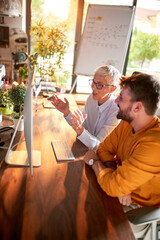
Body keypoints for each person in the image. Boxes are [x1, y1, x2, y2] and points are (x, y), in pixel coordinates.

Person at [83, 73, 160, 236]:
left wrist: (94, 163)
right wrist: (117, 177)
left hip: (140, 211)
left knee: (85, 225)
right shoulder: (127, 123)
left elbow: (114, 184)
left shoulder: (155, 144)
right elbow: (103, 149)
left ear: (137, 107)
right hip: (119, 195)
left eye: (121, 98)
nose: (115, 101)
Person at [50, 65, 121, 149]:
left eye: (99, 85)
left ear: (112, 89)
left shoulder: (116, 110)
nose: (93, 87)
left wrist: (80, 129)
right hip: (87, 150)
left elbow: (99, 146)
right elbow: (82, 125)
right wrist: (67, 112)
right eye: (93, 82)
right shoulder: (91, 99)